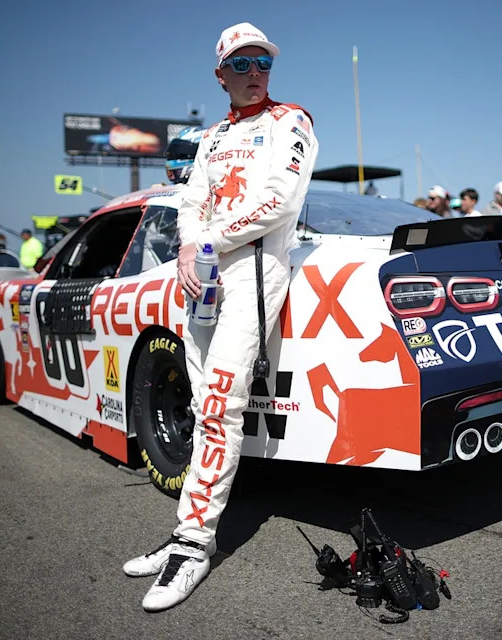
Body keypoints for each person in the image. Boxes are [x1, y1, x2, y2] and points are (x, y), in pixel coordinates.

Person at [122, 22, 318, 611]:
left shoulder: (291, 121)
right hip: (202, 275)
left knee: (218, 408)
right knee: (201, 400)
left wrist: (208, 240)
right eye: (241, 64)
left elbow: (280, 201)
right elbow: (191, 201)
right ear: (220, 75)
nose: (255, 73)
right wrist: (190, 245)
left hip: (254, 270)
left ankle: (194, 544)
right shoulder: (210, 138)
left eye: (263, 63)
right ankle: (189, 531)